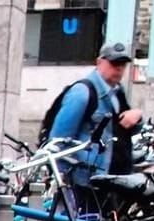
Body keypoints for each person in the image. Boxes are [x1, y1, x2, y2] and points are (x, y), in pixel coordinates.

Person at [44, 42, 141, 188]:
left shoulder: (117, 92)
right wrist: (63, 184)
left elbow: (122, 129)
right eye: (114, 63)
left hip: (113, 180)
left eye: (123, 64)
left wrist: (138, 117)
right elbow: (58, 143)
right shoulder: (82, 93)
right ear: (99, 62)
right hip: (85, 182)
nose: (119, 69)